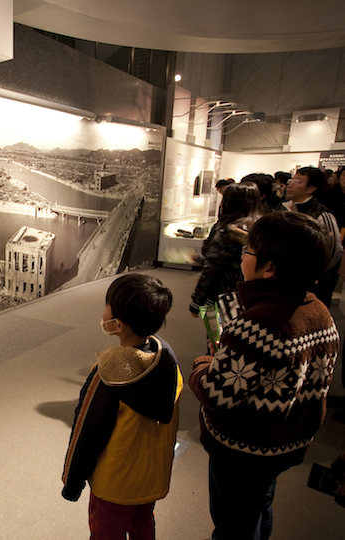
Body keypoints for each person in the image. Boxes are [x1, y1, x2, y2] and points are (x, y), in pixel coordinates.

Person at [190, 212, 340, 540]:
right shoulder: (319, 311)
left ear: (269, 268)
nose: (242, 256)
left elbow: (217, 395)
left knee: (234, 523)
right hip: (283, 443)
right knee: (260, 505)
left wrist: (202, 365)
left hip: (243, 449)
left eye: (248, 252)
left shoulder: (256, 325)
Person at [62, 273, 182, 540]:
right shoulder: (168, 361)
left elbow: (87, 433)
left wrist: (73, 481)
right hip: (151, 478)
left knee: (106, 534)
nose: (102, 310)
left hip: (115, 485)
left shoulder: (107, 375)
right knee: (143, 527)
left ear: (118, 324)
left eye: (107, 305)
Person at [190, 184, 262, 322]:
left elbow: (213, 268)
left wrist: (197, 301)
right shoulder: (260, 226)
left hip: (224, 296)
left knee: (219, 337)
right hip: (253, 295)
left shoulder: (229, 231)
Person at [283, 166, 342, 306]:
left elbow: (333, 251)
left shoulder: (322, 215)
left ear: (311, 188)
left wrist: (315, 276)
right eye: (292, 179)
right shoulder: (284, 208)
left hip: (311, 285)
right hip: (285, 280)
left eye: (298, 181)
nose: (291, 184)